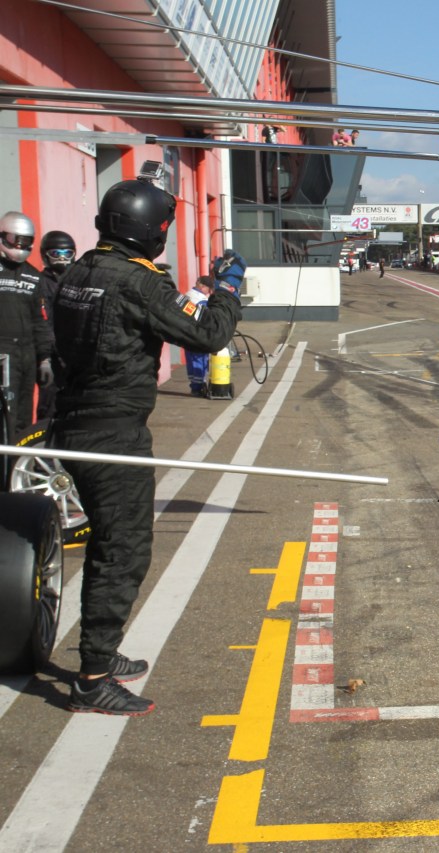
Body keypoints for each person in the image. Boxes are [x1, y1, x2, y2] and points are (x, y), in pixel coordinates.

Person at [51, 177, 242, 715]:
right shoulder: (138, 282)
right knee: (122, 550)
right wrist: (227, 290)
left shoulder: (77, 271)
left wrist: (189, 294)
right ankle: (92, 678)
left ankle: (101, 654)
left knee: (110, 543)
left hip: (72, 421)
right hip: (113, 433)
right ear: (152, 230)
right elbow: (207, 336)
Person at [0, 211, 54, 437]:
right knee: (6, 414)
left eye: (27, 242)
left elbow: (41, 320)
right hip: (3, 352)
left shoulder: (34, 277)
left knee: (23, 414)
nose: (21, 246)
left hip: (27, 352)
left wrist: (45, 358)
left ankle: (15, 465)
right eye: (16, 241)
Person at [35, 230, 76, 421]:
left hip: (75, 355)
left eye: (67, 254)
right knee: (50, 407)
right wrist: (47, 358)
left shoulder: (77, 281)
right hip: (52, 356)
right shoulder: (40, 283)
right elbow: (44, 322)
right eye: (56, 254)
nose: (62, 259)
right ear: (45, 255)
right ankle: (45, 448)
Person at [184, 276, 215, 395]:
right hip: (198, 334)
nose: (209, 292)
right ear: (202, 286)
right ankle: (199, 387)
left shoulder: (187, 295)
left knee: (191, 360)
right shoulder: (201, 300)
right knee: (199, 360)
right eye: (209, 288)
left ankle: (194, 386)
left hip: (186, 333)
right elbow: (206, 318)